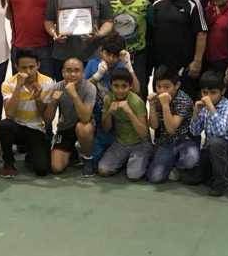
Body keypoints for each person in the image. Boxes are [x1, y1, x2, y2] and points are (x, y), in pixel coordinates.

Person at [45, 0, 113, 81]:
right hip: (63, 55)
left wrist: (99, 34)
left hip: (92, 55)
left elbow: (108, 21)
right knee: (64, 92)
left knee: (91, 92)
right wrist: (54, 34)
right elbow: (48, 21)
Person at [152, 0, 208, 100]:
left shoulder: (193, 3)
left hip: (185, 67)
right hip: (161, 66)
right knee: (161, 103)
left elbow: (202, 33)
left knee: (185, 104)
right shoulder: (157, 5)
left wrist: (197, 61)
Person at [0, 49, 55, 177]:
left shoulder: (48, 82)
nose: (28, 72)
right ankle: (8, 162)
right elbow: (10, 113)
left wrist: (38, 98)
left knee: (42, 170)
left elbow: (46, 118)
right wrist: (18, 86)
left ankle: (31, 155)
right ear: (16, 67)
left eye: (31, 67)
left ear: (38, 65)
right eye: (24, 68)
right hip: (17, 127)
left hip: (37, 130)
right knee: (4, 125)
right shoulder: (8, 84)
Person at [84, 34, 138, 163]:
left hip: (119, 124)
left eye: (115, 55)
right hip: (99, 119)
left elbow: (136, 89)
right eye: (107, 54)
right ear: (101, 51)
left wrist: (129, 67)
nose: (111, 59)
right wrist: (98, 75)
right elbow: (82, 89)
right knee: (96, 161)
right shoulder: (92, 64)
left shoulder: (123, 66)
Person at [190, 70, 228, 196]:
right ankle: (226, 170)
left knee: (215, 142)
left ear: (223, 91)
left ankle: (222, 182)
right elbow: (195, 132)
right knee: (191, 178)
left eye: (213, 93)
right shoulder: (202, 106)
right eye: (205, 92)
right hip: (210, 149)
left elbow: (220, 131)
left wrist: (211, 107)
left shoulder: (227, 106)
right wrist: (196, 113)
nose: (208, 97)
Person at [145, 65, 200, 184]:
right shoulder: (158, 99)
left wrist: (165, 105)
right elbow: (154, 126)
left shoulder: (183, 100)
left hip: (186, 141)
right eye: (158, 86)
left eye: (166, 87)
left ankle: (176, 165)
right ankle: (169, 163)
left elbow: (171, 128)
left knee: (191, 160)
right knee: (155, 177)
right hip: (167, 142)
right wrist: (152, 105)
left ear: (177, 85)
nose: (161, 90)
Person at [44, 58, 98, 177]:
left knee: (83, 128)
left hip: (85, 126)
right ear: (63, 72)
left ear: (83, 73)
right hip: (65, 127)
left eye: (77, 71)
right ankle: (71, 151)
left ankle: (88, 159)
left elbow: (85, 118)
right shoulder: (57, 87)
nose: (72, 74)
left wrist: (74, 94)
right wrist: (52, 103)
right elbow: (47, 120)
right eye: (68, 70)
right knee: (56, 168)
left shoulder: (90, 88)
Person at [97, 68, 150, 180]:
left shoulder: (136, 102)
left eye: (124, 86)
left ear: (130, 86)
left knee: (134, 176)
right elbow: (106, 128)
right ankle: (125, 161)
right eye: (116, 86)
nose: (120, 90)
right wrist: (109, 113)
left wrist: (130, 112)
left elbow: (144, 133)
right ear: (111, 85)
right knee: (103, 170)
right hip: (120, 143)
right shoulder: (108, 99)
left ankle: (146, 156)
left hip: (140, 143)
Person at [109, 0, 149, 98]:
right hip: (115, 56)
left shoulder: (145, 5)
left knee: (138, 91)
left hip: (137, 56)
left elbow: (153, 27)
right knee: (115, 91)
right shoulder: (109, 4)